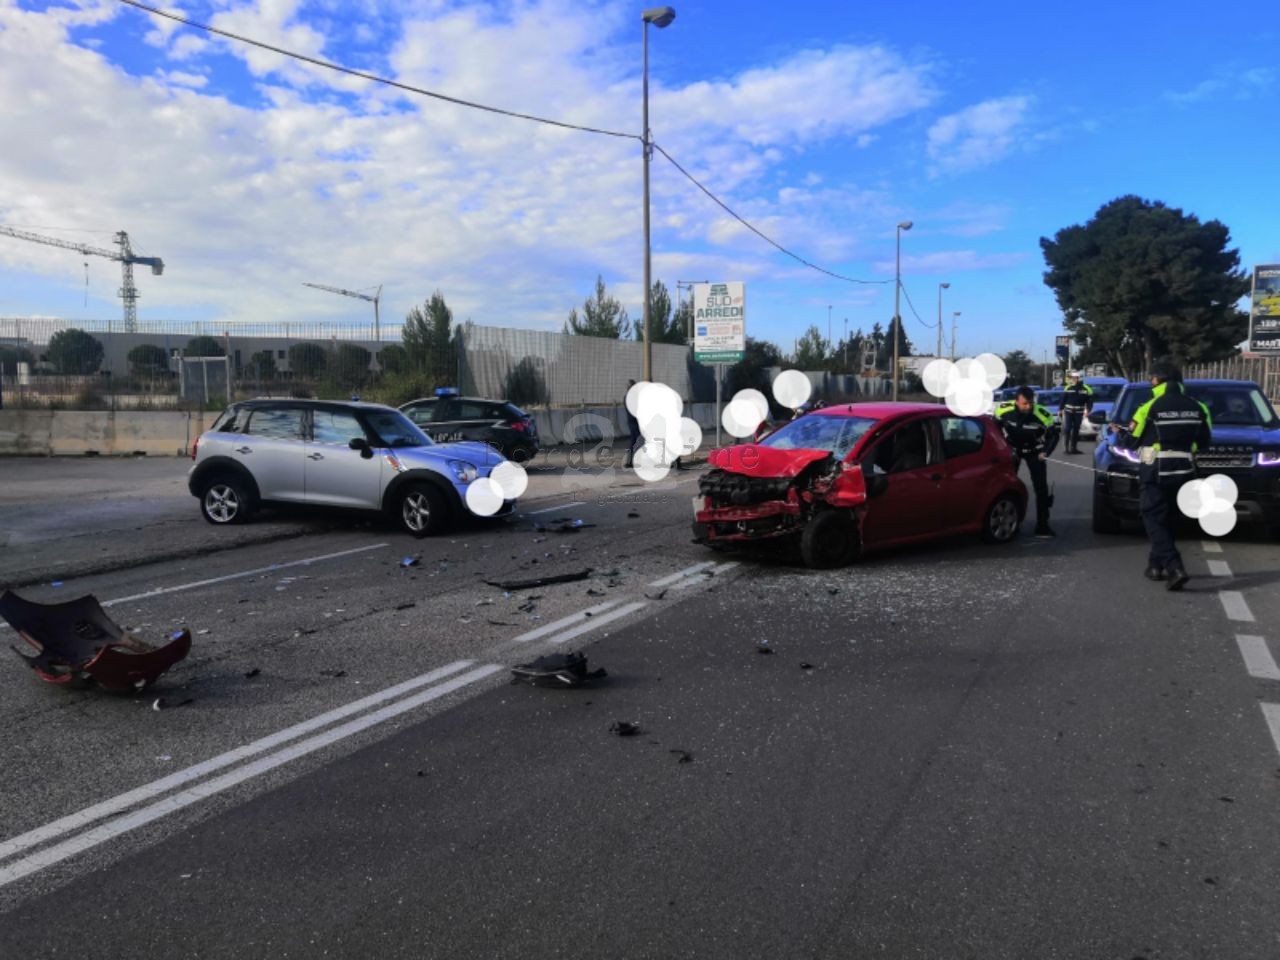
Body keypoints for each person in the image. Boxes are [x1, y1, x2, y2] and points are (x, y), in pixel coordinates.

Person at [1116, 359, 1212, 591]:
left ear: (1156, 381)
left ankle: (1174, 567)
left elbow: (1131, 441)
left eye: (1152, 379)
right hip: (1186, 470)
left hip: (1156, 470)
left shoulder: (1148, 407)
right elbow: (1204, 442)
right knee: (1167, 518)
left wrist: (1120, 433)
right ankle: (1155, 566)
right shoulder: (1199, 407)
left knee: (1152, 517)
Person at [994, 386, 1060, 538]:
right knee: (1006, 486)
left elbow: (1053, 436)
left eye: (1031, 403)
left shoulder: (1042, 413)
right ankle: (1011, 523)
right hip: (1013, 450)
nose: (1028, 407)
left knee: (1041, 489)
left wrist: (1045, 452)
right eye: (1024, 403)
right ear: (1016, 402)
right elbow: (995, 430)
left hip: (1035, 451)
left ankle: (1042, 525)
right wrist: (1003, 447)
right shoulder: (1002, 410)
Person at [1058, 371, 1094, 454]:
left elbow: (1090, 401)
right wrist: (1060, 409)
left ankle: (1073, 448)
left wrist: (1088, 410)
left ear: (1080, 378)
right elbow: (1063, 400)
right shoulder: (1068, 388)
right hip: (1068, 411)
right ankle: (1066, 448)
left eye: (1075, 378)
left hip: (1079, 412)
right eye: (1072, 378)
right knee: (1067, 428)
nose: (1073, 379)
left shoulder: (1087, 389)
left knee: (1076, 429)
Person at [624, 378, 641, 468]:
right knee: (637, 441)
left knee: (634, 441)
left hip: (631, 421)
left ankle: (630, 461)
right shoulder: (632, 397)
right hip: (634, 421)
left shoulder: (628, 396)